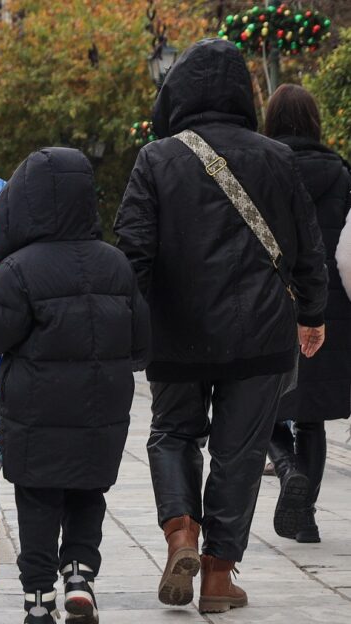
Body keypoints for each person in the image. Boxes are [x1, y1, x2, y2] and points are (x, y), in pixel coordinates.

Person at [115, 39, 328, 614]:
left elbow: (132, 253)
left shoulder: (155, 159)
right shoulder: (277, 157)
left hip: (176, 331)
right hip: (259, 334)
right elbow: (309, 250)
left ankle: (181, 531)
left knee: (172, 433)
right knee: (239, 451)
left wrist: (132, 328)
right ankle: (216, 576)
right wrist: (312, 314)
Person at [0, 148, 151, 624]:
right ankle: (79, 576)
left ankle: (38, 599)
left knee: (37, 498)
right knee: (87, 493)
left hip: (36, 411)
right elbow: (141, 342)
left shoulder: (18, 269)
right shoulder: (116, 265)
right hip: (101, 408)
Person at [264, 84, 351, 544]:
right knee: (310, 414)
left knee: (260, 408)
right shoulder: (340, 173)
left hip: (272, 300)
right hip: (329, 306)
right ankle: (308, 519)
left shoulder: (264, 166)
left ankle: (288, 466)